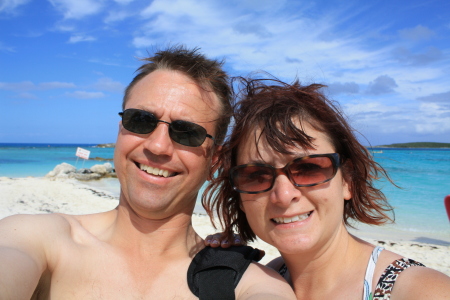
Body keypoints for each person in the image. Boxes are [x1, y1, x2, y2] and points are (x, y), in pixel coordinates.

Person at [0, 47, 295, 299]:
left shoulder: (247, 283)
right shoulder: (36, 238)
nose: (157, 146)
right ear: (120, 129)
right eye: (140, 120)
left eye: (187, 132)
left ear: (215, 161)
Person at [203, 76, 450, 299]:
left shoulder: (418, 290)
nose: (284, 195)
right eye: (256, 175)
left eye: (309, 168)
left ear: (347, 180)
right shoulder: (259, 281)